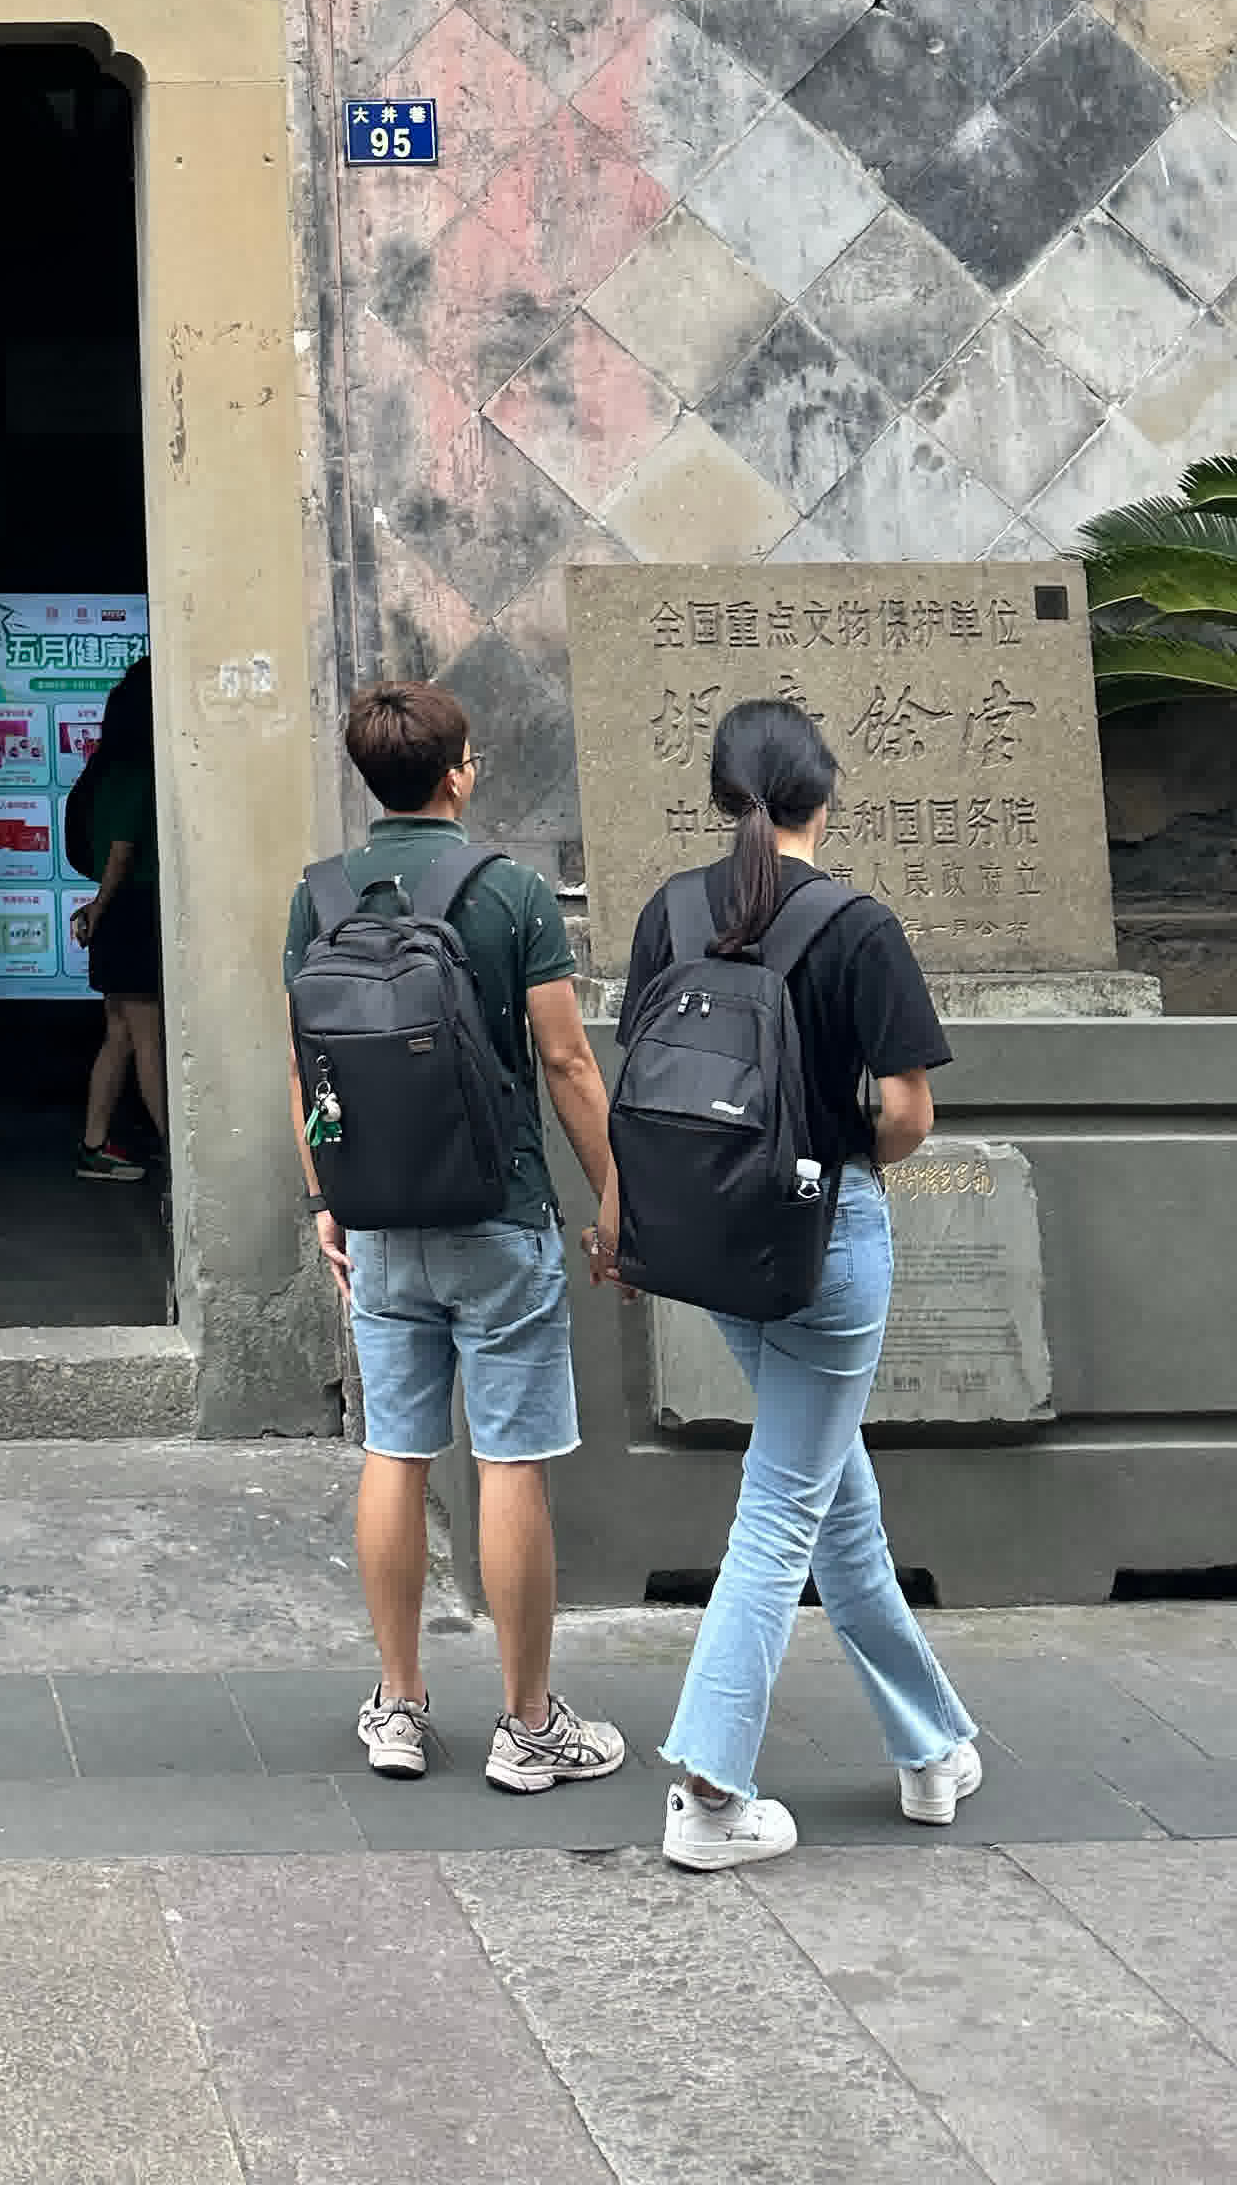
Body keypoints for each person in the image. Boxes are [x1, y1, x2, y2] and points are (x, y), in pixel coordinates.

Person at [602, 695, 981, 1872]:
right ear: (825, 792)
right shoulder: (856, 928)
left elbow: (640, 1087)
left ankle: (931, 1748)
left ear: (723, 797)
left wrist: (624, 1218)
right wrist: (845, 1148)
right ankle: (710, 1799)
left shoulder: (671, 913)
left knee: (831, 1497)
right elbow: (908, 1115)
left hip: (710, 1241)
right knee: (782, 1509)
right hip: (826, 1240)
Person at [294, 679, 626, 1792]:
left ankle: (398, 1706)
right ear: (457, 776)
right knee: (510, 1460)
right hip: (499, 1212)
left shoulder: (320, 895)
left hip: (381, 1223)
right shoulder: (511, 892)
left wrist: (328, 1197)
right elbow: (566, 1060)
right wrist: (615, 1195)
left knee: (395, 1451)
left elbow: (306, 1065)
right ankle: (528, 1726)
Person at [68, 654, 163, 1181]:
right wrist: (100, 910)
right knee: (147, 1039)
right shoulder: (137, 773)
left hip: (116, 915)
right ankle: (181, 1157)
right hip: (132, 912)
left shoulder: (102, 773)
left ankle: (94, 1145)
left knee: (120, 1034)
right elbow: (122, 854)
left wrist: (96, 911)